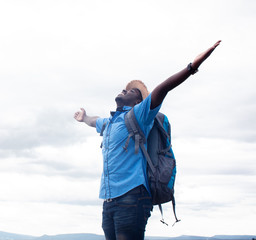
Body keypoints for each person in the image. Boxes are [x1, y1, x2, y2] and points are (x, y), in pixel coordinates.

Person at [74, 41, 221, 240]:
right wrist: (85, 117)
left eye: (132, 92)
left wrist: (192, 67)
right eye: (125, 89)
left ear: (138, 102)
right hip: (108, 201)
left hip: (132, 198)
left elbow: (163, 88)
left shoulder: (140, 115)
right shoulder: (109, 123)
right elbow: (94, 122)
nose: (125, 90)